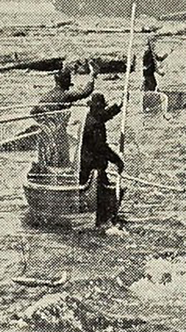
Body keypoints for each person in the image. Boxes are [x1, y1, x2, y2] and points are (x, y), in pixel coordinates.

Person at [32, 65, 96, 168]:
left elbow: (33, 112)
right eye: (69, 79)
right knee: (61, 161)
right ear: (64, 81)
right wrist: (92, 76)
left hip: (45, 133)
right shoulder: (64, 95)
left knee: (46, 159)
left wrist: (47, 122)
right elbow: (85, 92)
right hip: (58, 134)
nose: (70, 83)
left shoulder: (47, 96)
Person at [79, 92, 126, 224]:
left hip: (87, 165)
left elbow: (105, 115)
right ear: (95, 108)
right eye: (100, 108)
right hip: (92, 167)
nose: (102, 111)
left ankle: (102, 214)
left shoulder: (93, 117)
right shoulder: (94, 125)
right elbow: (101, 148)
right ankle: (101, 215)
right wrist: (117, 161)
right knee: (99, 184)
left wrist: (118, 106)